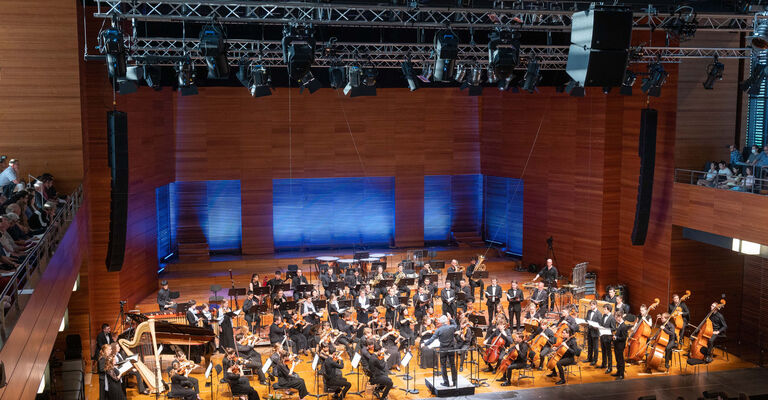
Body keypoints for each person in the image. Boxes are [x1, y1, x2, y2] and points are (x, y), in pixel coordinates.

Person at [422, 315, 458, 387]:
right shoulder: (451, 327)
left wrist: (425, 344)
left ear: (441, 322)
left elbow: (432, 339)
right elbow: (455, 325)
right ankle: (455, 382)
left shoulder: (439, 330)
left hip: (443, 350)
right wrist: (451, 319)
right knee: (453, 365)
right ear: (446, 321)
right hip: (451, 349)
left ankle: (446, 382)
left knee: (443, 366)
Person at [612, 312, 629, 380]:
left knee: (620, 360)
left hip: (620, 346)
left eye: (616, 317)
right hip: (617, 345)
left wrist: (616, 337)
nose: (615, 319)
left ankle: (621, 375)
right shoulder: (619, 324)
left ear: (620, 317)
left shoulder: (624, 326)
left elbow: (624, 338)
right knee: (617, 359)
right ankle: (618, 372)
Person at [583, 300, 601, 366]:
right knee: (589, 345)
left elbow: (599, 323)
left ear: (595, 305)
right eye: (590, 305)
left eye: (592, 305)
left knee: (595, 347)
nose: (591, 306)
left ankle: (595, 360)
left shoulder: (599, 313)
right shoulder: (589, 311)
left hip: (595, 332)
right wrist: (583, 322)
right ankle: (589, 358)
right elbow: (586, 319)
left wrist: (594, 325)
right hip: (589, 331)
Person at [599, 304, 616, 374]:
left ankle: (610, 367)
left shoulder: (612, 318)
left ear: (608, 310)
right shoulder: (604, 316)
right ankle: (603, 364)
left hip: (608, 338)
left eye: (605, 309)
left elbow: (613, 328)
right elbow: (602, 324)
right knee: (603, 351)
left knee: (609, 353)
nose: (604, 310)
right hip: (602, 336)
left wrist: (606, 329)